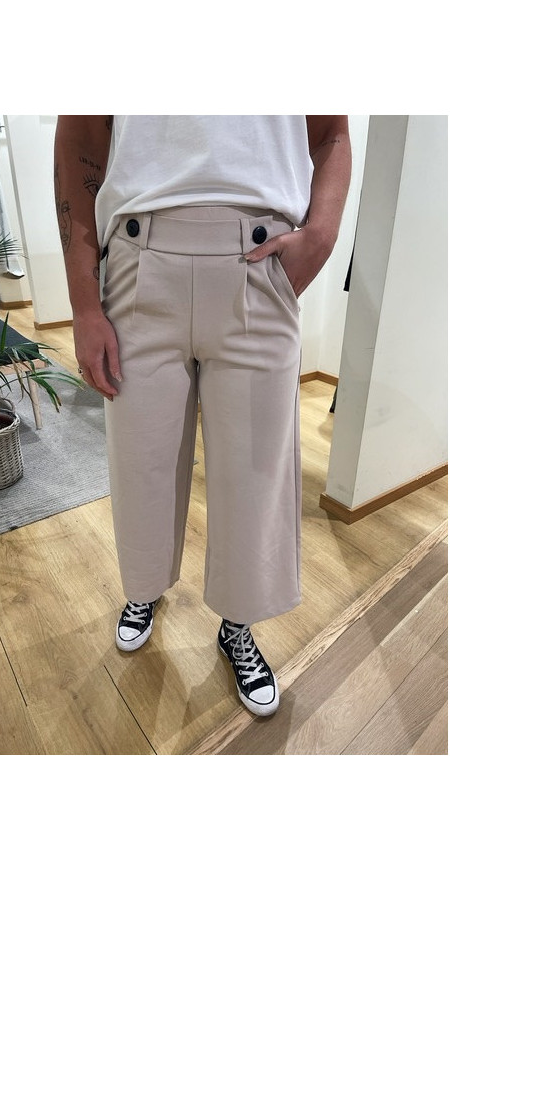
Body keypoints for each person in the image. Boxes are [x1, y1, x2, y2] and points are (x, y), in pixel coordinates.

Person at [54, 115, 351, 717]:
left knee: (255, 473)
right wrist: (84, 304)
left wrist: (321, 234)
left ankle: (238, 621)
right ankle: (144, 589)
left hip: (259, 261)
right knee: (141, 462)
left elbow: (331, 133)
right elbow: (81, 139)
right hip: (138, 260)